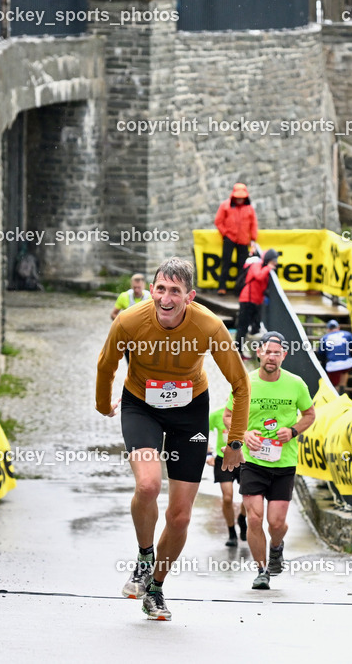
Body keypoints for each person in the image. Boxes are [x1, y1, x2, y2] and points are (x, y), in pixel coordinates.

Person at [97, 257, 250, 621]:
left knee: (180, 516)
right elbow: (107, 365)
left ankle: (156, 588)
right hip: (142, 407)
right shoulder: (129, 320)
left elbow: (241, 384)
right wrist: (104, 404)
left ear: (190, 296)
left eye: (175, 292)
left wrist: (235, 442)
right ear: (151, 291)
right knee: (148, 485)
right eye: (161, 289)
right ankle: (144, 556)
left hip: (189, 412)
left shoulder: (209, 326)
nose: (166, 298)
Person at [223, 331, 315, 590]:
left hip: (284, 463)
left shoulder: (296, 383)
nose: (272, 356)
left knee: (276, 522)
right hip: (252, 462)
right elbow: (228, 416)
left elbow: (310, 414)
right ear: (259, 353)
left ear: (284, 355)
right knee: (254, 518)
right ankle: (261, 570)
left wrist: (293, 431)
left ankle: (276, 547)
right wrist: (244, 433)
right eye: (267, 351)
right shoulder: (246, 382)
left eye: (277, 352)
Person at [205, 406, 246, 547]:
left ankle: (242, 518)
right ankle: (232, 533)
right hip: (223, 459)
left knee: (248, 496)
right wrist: (209, 454)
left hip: (244, 459)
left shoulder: (248, 413)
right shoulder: (217, 415)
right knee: (227, 497)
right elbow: (203, 431)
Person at [214, 183, 259, 294]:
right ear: (234, 196)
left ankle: (239, 289)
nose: (239, 199)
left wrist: (253, 238)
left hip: (244, 240)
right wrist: (225, 233)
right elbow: (218, 221)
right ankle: (222, 287)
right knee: (226, 263)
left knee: (242, 265)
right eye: (238, 197)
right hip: (229, 239)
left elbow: (254, 224)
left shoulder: (249, 209)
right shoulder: (225, 205)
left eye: (241, 197)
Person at [235, 248, 278, 360]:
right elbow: (258, 276)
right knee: (242, 327)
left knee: (256, 327)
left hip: (256, 301)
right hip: (247, 300)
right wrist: (268, 268)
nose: (275, 265)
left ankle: (248, 352)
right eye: (273, 262)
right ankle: (237, 353)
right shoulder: (256, 265)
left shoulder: (265, 268)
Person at [316, 319, 352, 394]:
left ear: (328, 329)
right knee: (344, 371)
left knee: (334, 384)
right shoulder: (347, 334)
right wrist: (350, 355)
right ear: (338, 327)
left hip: (333, 365)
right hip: (347, 363)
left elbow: (321, 353)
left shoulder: (324, 338)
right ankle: (342, 388)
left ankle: (337, 394)